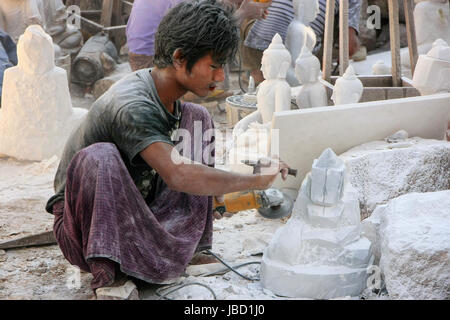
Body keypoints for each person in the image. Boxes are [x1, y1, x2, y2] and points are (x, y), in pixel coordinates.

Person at [46, 0, 289, 300]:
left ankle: (196, 249)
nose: (220, 78)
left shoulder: (168, 96)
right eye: (213, 66)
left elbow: (191, 175)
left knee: (197, 119)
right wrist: (254, 180)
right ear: (178, 58)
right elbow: (177, 174)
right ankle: (108, 271)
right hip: (85, 228)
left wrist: (233, 183)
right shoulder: (133, 104)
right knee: (101, 157)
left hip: (138, 207)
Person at [241, 0, 361, 83]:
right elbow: (295, 66)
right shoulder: (298, 30)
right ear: (302, 7)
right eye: (314, 6)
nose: (316, 9)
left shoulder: (304, 30)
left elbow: (349, 43)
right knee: (271, 83)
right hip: (263, 40)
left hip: (265, 41)